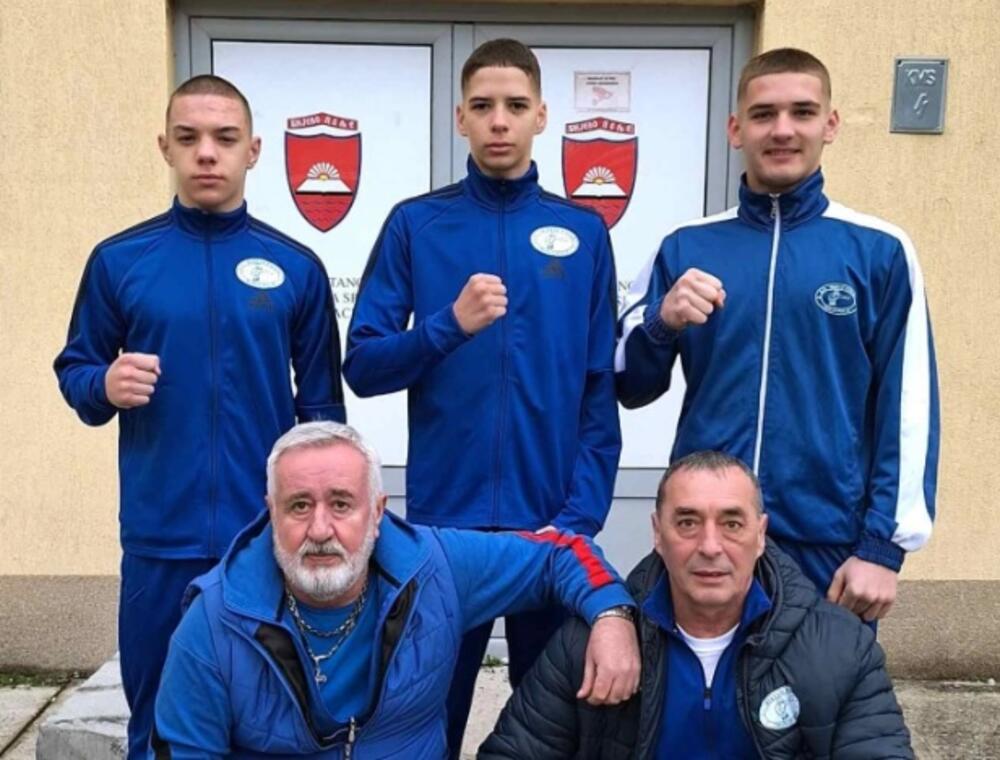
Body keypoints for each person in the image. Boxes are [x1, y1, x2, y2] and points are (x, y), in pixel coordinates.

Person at [53, 75, 345, 759]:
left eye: (224, 138)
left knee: (272, 718)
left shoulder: (296, 267)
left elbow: (324, 416)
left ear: (254, 151)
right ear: (165, 147)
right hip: (160, 540)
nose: (206, 153)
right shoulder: (120, 261)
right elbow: (76, 369)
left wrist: (321, 525)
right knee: (158, 721)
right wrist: (104, 383)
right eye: (189, 138)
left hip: (264, 541)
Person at [343, 38, 621, 754]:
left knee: (550, 730)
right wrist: (447, 327)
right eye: (484, 106)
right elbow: (364, 365)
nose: (500, 120)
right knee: (425, 724)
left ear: (542, 117)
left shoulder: (584, 233)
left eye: (516, 105)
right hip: (447, 534)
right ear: (459, 118)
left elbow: (598, 392)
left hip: (548, 532)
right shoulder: (416, 223)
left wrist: (578, 520)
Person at [614, 48, 939, 622]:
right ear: (736, 129)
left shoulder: (879, 250)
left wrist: (883, 548)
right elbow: (628, 383)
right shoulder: (686, 246)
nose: (783, 130)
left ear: (830, 124)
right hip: (707, 538)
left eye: (802, 112)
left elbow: (907, 408)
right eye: (763, 114)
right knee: (694, 682)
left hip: (829, 547)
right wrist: (662, 322)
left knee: (822, 685)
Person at [151, 421, 639, 758]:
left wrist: (613, 614)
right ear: (270, 512)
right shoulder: (215, 621)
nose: (319, 529)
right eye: (299, 506)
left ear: (378, 512)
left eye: (341, 504)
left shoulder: (435, 568)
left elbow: (559, 553)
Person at [481, 451, 914, 759]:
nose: (710, 546)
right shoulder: (587, 644)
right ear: (657, 533)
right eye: (687, 522)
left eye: (732, 523)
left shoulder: (839, 646)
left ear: (760, 535)